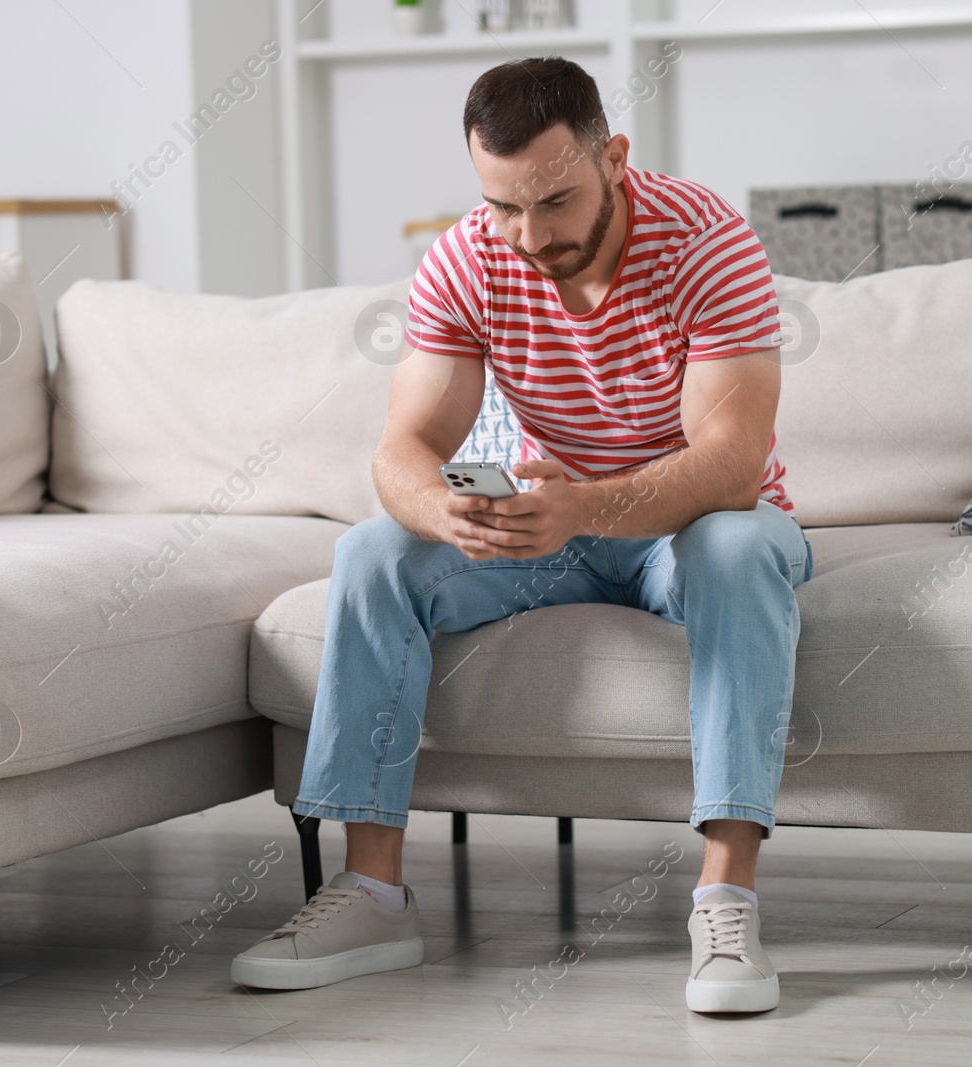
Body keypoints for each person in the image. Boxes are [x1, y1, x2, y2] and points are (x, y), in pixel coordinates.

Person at [232, 54, 813, 1015]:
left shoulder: (706, 241)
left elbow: (733, 466)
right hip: (555, 530)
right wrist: (444, 508)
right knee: (373, 551)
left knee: (740, 546)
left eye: (555, 201)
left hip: (690, 528)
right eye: (504, 206)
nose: (531, 236)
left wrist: (582, 503)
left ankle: (725, 900)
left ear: (614, 157)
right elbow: (403, 450)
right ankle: (374, 894)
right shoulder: (471, 255)